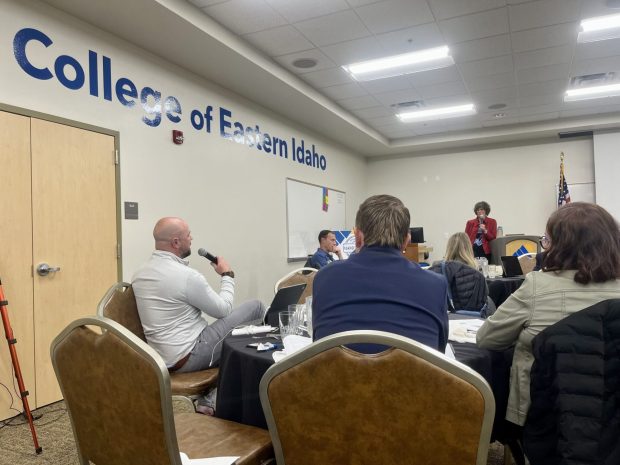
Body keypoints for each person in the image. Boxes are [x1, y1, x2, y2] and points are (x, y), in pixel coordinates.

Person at [476, 202, 620, 429]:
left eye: (546, 240)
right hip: (612, 414)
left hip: (544, 416)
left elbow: (487, 339)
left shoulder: (536, 286)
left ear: (559, 246)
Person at [312, 194, 449, 353]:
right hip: (412, 370)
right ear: (406, 240)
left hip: (335, 370)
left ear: (357, 238)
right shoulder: (436, 285)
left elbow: (317, 344)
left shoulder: (323, 278)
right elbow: (439, 352)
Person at [132, 217, 265, 373]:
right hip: (189, 355)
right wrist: (227, 275)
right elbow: (223, 310)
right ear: (176, 242)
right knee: (256, 307)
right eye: (188, 235)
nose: (191, 238)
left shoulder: (139, 273)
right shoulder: (187, 276)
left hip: (161, 359)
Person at [429, 232, 494, 317]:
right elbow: (481, 303)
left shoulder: (434, 271)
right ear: (469, 249)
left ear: (449, 248)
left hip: (440, 318)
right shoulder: (478, 276)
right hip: (471, 320)